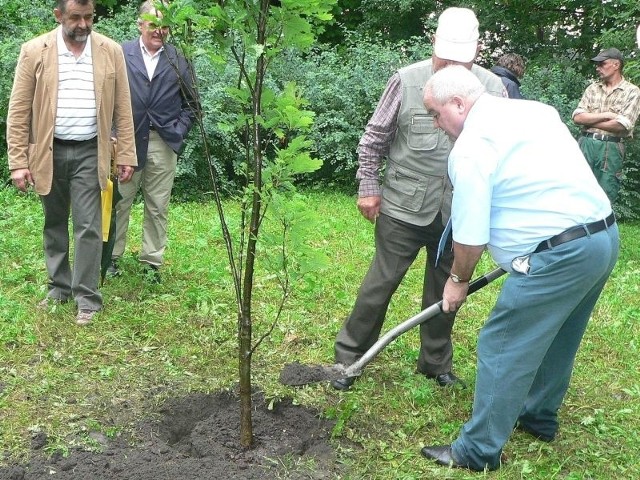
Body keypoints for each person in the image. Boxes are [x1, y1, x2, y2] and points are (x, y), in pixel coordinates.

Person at [420, 65, 619, 472]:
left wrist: (457, 281)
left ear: (458, 103)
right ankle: (537, 416)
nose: (437, 124)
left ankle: (476, 451)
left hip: (557, 254)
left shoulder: (472, 146)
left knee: (503, 343)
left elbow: (471, 232)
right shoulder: (535, 111)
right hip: (601, 237)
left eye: (436, 114)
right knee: (560, 333)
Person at [331, 7, 507, 391]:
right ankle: (348, 357)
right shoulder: (406, 81)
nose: (453, 65)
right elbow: (374, 138)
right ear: (434, 45)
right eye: (446, 57)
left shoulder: (493, 88)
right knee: (380, 284)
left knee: (447, 292)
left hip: (459, 213)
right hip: (402, 208)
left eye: (462, 58)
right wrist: (368, 187)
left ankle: (435, 363)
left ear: (477, 51)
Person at [7, 0, 137, 326]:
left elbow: (123, 107)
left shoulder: (110, 51)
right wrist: (18, 162)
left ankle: (88, 298)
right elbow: (19, 111)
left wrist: (126, 155)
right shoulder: (34, 51)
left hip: (91, 152)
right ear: (58, 16)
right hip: (48, 152)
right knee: (53, 223)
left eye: (88, 17)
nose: (82, 24)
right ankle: (59, 287)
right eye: (75, 17)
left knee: (88, 226)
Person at [107, 0, 198, 284]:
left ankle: (151, 262)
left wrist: (178, 130)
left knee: (157, 205)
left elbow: (193, 105)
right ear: (140, 24)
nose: (159, 31)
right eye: (153, 25)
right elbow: (105, 97)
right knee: (118, 202)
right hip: (125, 142)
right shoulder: (120, 54)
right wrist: (111, 132)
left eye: (165, 25)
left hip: (162, 141)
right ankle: (110, 257)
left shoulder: (179, 58)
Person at [572, 48, 640, 203]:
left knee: (606, 193)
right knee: (579, 189)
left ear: (616, 65)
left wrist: (590, 120)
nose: (598, 68)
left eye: (602, 64)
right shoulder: (592, 88)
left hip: (611, 147)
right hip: (585, 143)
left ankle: (603, 226)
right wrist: (606, 115)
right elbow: (577, 118)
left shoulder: (632, 91)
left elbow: (622, 126)